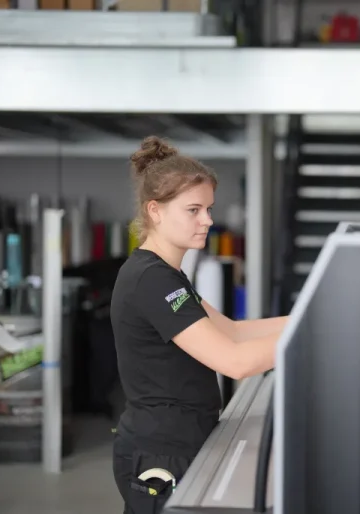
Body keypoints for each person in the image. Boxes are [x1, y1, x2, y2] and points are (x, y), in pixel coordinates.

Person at [110, 136, 286, 514]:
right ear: (154, 210)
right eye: (194, 209)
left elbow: (233, 331)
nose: (207, 220)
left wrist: (311, 315)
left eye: (208, 208)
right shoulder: (150, 279)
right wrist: (316, 332)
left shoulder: (166, 274)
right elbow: (234, 361)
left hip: (178, 442)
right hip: (161, 453)